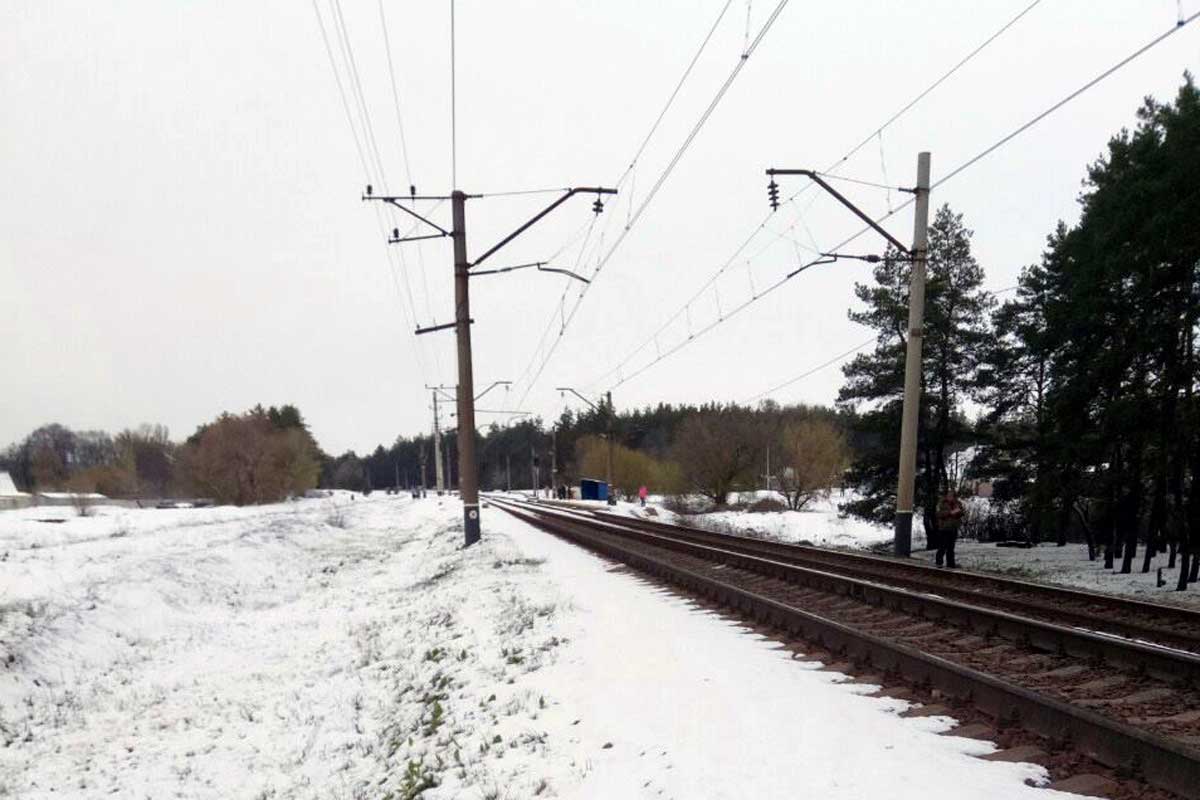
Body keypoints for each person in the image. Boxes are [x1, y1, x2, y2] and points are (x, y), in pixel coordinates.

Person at [935, 489, 963, 568]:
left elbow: (962, 512)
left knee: (951, 548)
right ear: (946, 496)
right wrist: (949, 513)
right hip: (944, 528)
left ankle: (950, 564)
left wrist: (958, 512)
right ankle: (939, 562)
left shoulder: (957, 503)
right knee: (942, 546)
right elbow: (938, 514)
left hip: (953, 528)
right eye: (949, 496)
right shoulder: (941, 503)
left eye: (952, 496)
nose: (951, 497)